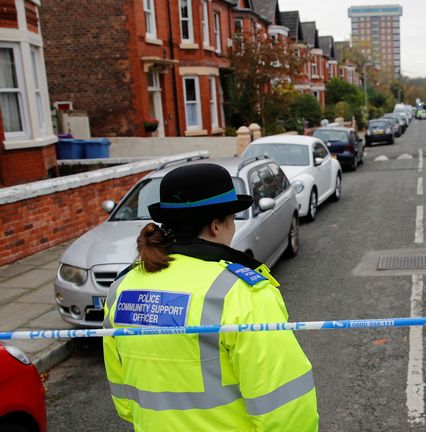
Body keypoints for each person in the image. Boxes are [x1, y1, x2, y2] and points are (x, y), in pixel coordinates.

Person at [103, 163, 319, 431]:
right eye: (232, 219)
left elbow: (124, 399)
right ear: (217, 225)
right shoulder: (241, 292)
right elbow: (287, 408)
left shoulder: (122, 287)